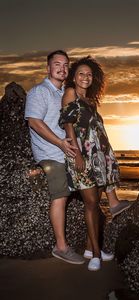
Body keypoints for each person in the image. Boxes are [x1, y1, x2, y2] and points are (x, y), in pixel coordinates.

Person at [59, 56, 131, 270]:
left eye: (89, 74)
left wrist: (107, 156)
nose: (85, 77)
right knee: (90, 202)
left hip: (99, 155)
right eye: (81, 73)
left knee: (96, 202)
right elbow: (68, 123)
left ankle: (92, 248)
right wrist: (77, 154)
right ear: (73, 76)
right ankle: (96, 256)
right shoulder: (70, 93)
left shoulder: (90, 100)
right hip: (82, 154)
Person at [25, 50, 85, 265]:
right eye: (57, 64)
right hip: (51, 154)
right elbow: (34, 121)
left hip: (67, 152)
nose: (62, 68)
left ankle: (93, 244)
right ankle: (61, 247)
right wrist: (60, 143)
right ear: (48, 68)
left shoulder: (64, 95)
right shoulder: (39, 92)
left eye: (66, 65)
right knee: (60, 196)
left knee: (90, 191)